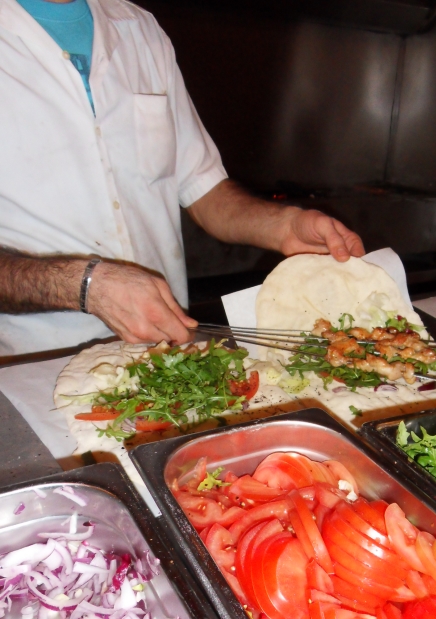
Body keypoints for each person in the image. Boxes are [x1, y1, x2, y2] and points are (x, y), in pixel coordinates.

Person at [0, 0, 364, 356]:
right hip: (33, 363)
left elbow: (204, 190)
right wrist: (87, 286)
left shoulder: (139, 29)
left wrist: (284, 225)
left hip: (167, 354)